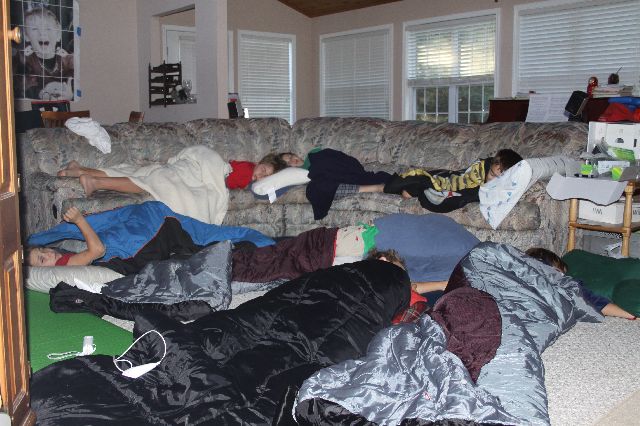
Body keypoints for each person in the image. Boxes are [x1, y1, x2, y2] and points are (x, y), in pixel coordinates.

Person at [57, 152, 285, 196]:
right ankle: (95, 181)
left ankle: (80, 170)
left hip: (196, 168)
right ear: (261, 162)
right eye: (263, 171)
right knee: (150, 182)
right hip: (198, 169)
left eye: (265, 177)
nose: (259, 177)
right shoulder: (247, 170)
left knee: (141, 172)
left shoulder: (250, 171)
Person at [382, 148, 523, 213]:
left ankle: (423, 192)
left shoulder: (505, 186)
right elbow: (463, 179)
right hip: (452, 179)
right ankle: (416, 189)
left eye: (498, 179)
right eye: (491, 174)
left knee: (460, 198)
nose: (492, 180)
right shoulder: (480, 170)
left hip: (462, 193)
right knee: (408, 181)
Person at [525, 247, 636, 320]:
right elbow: (591, 302)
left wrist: (631, 314)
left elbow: (588, 302)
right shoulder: (566, 286)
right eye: (560, 274)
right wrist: (630, 314)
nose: (563, 278)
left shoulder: (567, 286)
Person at [14, 6, 74, 100]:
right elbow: (21, 86)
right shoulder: (25, 58)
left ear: (58, 34)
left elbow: (77, 79)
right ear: (26, 36)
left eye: (48, 29)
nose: (42, 33)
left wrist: (71, 94)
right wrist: (42, 93)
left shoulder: (66, 59)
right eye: (34, 29)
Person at [26, 206, 105, 267]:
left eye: (43, 249)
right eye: (42, 260)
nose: (49, 253)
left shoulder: (60, 261)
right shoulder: (62, 266)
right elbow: (98, 250)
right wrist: (79, 220)